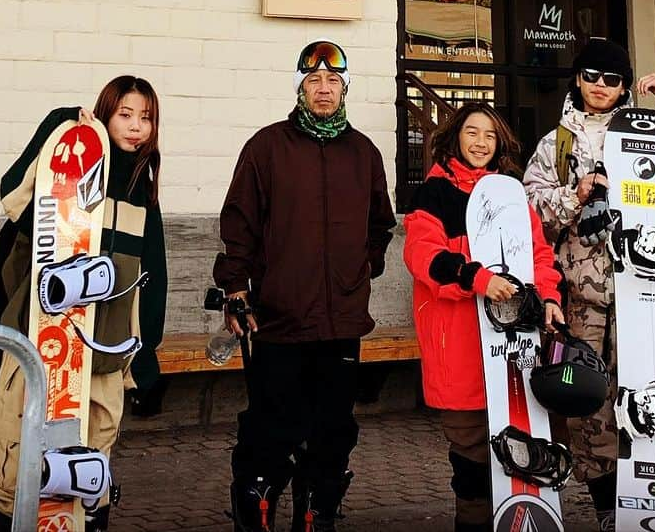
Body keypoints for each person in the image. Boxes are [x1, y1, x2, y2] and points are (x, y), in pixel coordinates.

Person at [523, 38, 655, 532]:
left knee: (647, 392)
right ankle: (608, 505)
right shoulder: (558, 142)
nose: (601, 86)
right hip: (585, 297)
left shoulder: (651, 131)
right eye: (591, 75)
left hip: (647, 292)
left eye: (613, 79)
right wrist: (576, 196)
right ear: (577, 78)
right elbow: (532, 206)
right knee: (590, 402)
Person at [214, 41, 396, 532]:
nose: (323, 89)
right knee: (272, 427)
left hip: (342, 322)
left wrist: (364, 266)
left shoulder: (363, 153)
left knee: (333, 429)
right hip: (278, 319)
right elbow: (239, 225)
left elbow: (382, 223)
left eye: (332, 82)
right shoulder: (267, 147)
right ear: (300, 87)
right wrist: (235, 288)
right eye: (313, 81)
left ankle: (318, 514)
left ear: (344, 88)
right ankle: (256, 510)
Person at [0, 76, 168, 532]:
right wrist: (64, 127)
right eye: (125, 114)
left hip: (103, 354)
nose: (136, 126)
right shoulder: (67, 171)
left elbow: (152, 277)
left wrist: (145, 356)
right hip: (39, 345)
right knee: (16, 464)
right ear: (105, 114)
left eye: (146, 118)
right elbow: (12, 198)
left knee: (91, 468)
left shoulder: (144, 191)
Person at [403, 100, 564, 532]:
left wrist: (549, 296)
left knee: (520, 446)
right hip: (457, 343)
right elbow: (422, 255)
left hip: (513, 345)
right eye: (472, 132)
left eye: (490, 135)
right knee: (471, 454)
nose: (480, 142)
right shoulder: (434, 192)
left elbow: (539, 254)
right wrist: (477, 278)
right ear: (455, 136)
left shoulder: (510, 193)